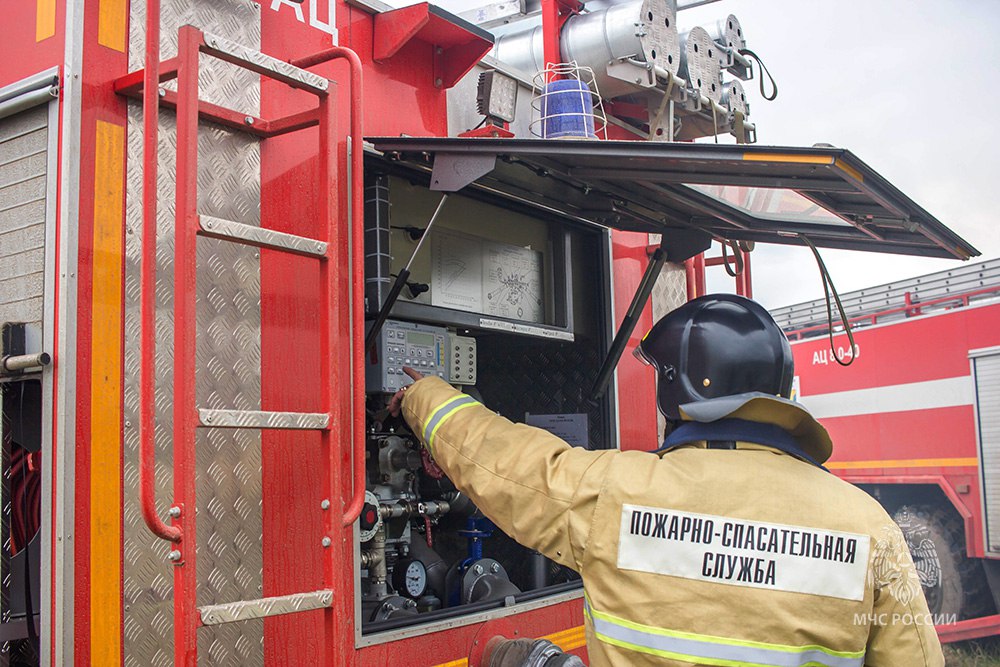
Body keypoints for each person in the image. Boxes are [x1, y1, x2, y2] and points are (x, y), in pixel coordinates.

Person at [389, 294, 944, 666]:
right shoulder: (869, 527)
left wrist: (424, 395)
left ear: (678, 392)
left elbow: (507, 466)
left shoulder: (617, 493)